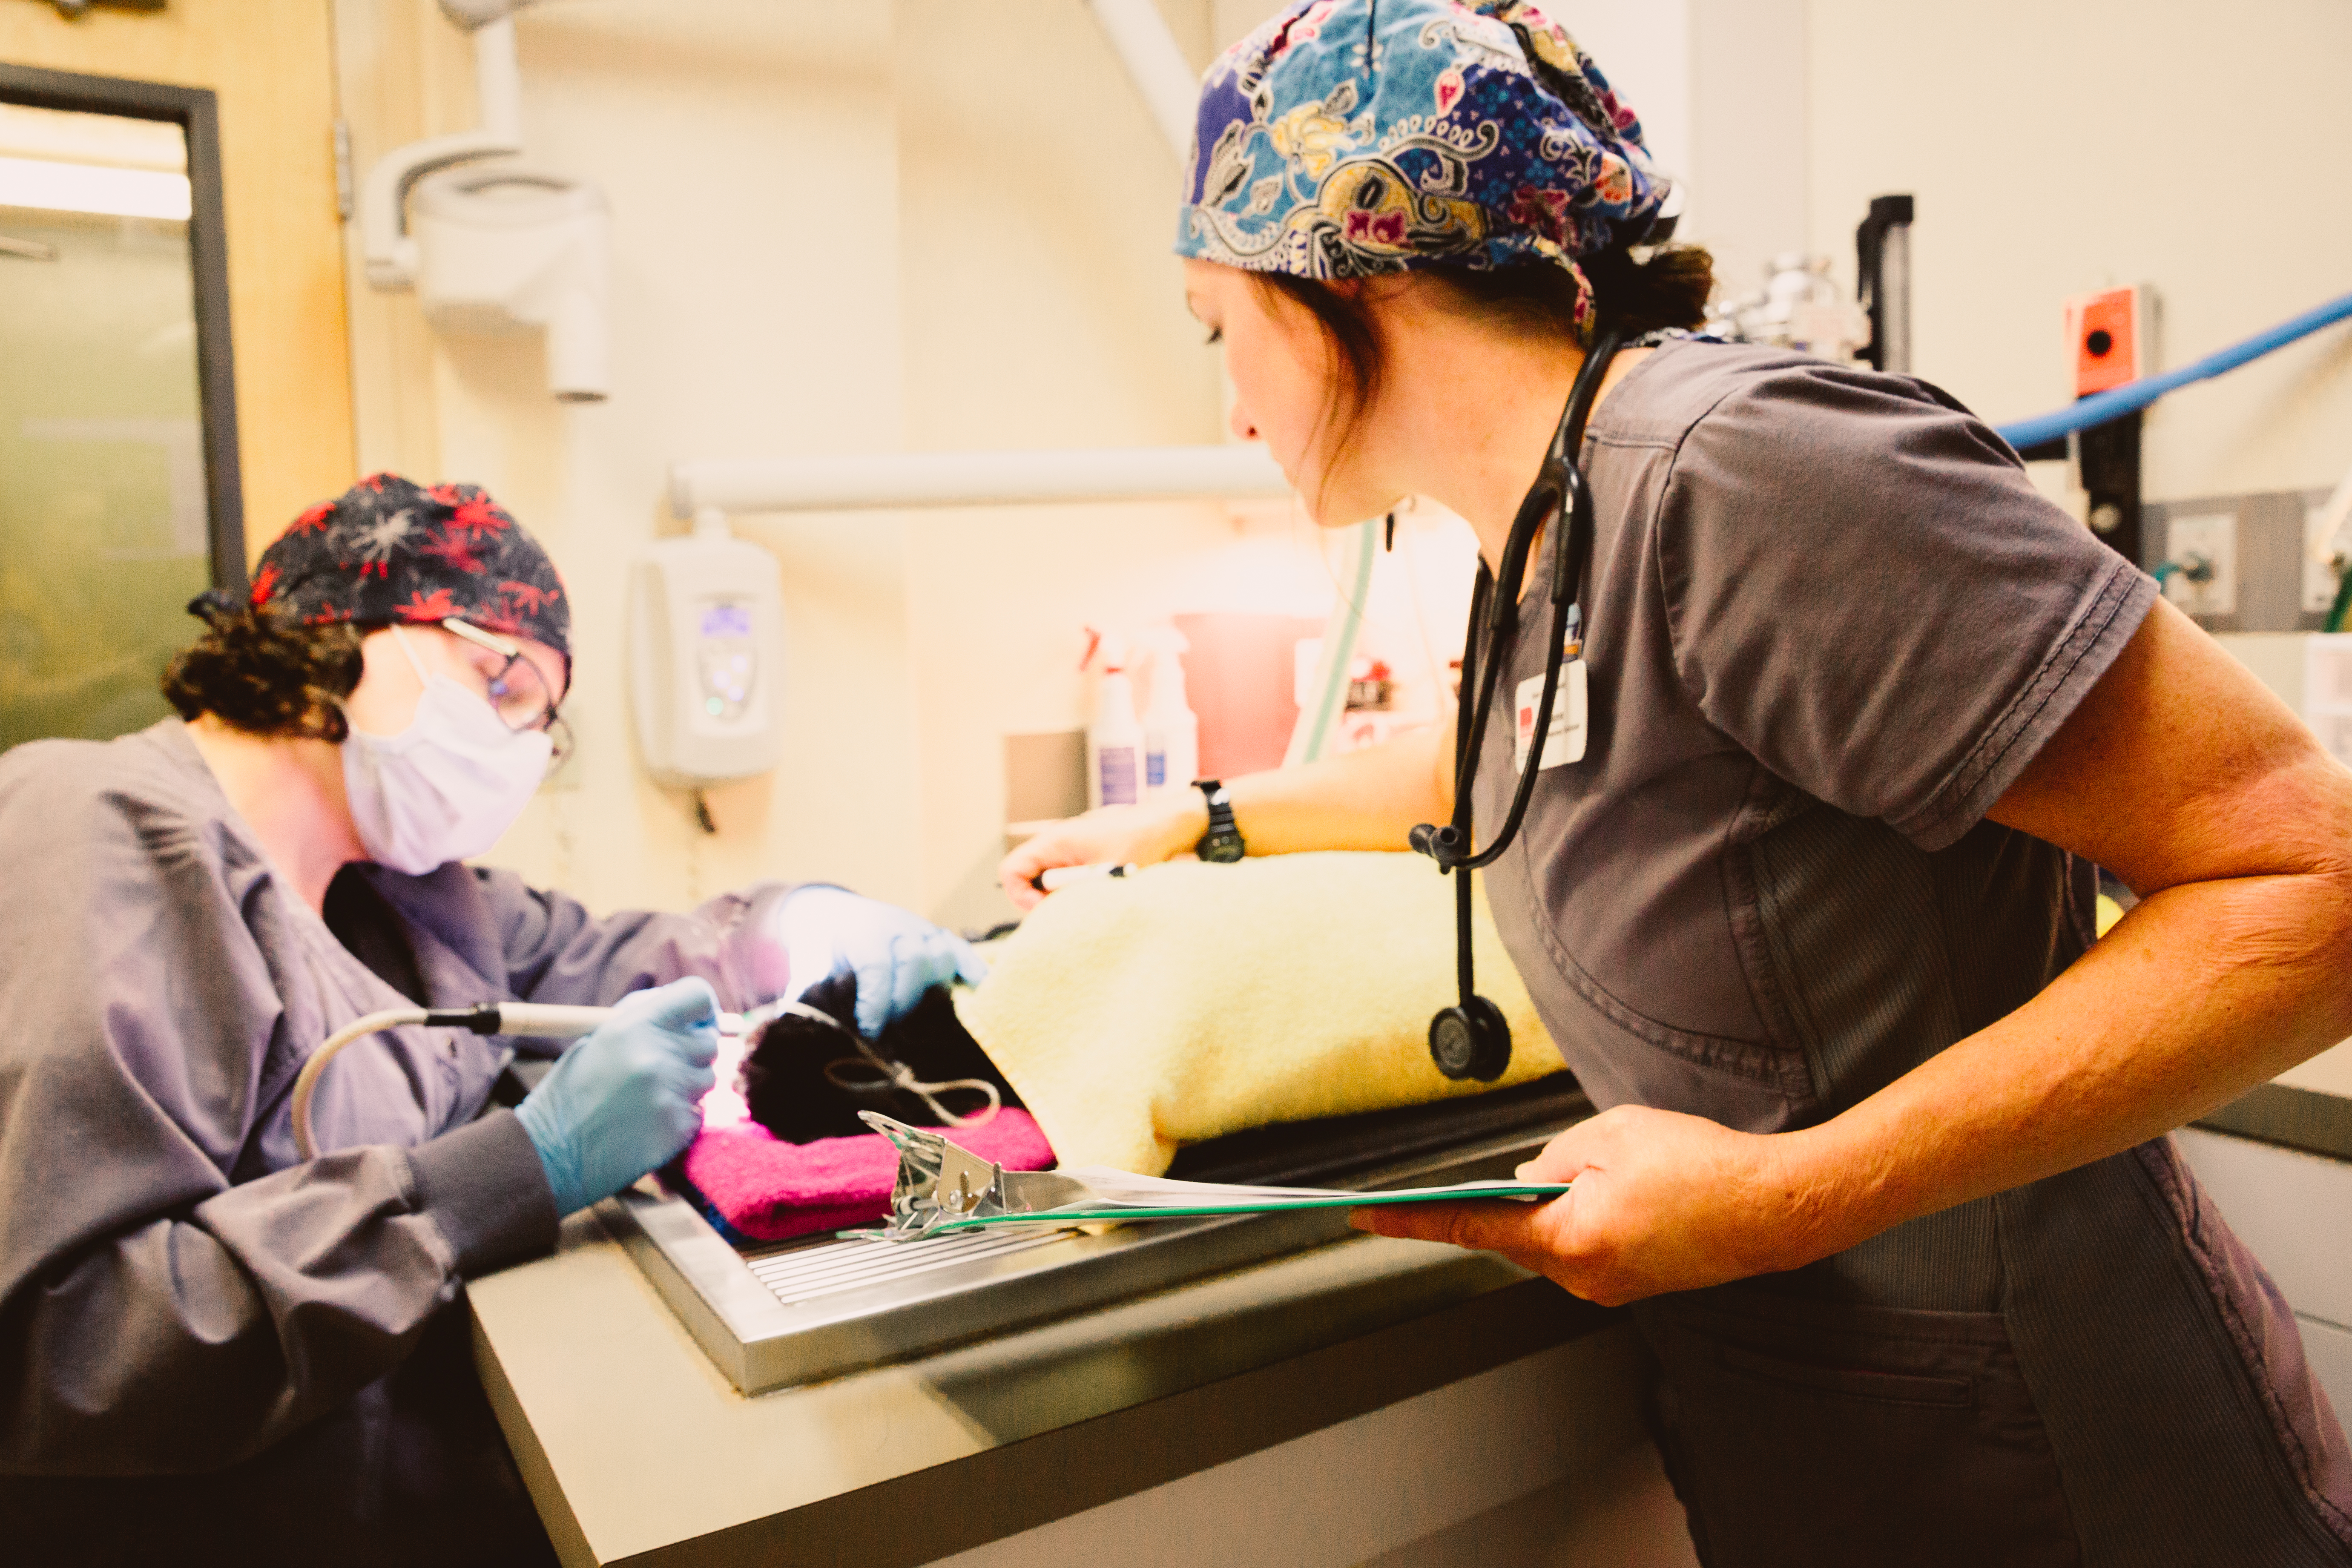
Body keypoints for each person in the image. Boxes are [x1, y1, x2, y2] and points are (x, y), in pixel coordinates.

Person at [1003, 5, 2352, 1562]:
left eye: (1214, 328)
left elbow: (2311, 884)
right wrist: (1208, 817)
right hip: (1830, 1451)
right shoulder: (1557, 521)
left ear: (1346, 275)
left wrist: (1789, 1195)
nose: (1228, 404)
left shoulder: (1744, 476)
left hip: (2071, 1470)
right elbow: (1518, 751)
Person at [0, 474, 982, 1565]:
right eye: (501, 679)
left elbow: (606, 954)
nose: (516, 741)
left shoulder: (399, 888)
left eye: (542, 723)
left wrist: (802, 922)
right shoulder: (96, 829)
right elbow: (69, 1341)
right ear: (343, 621)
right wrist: (518, 1165)